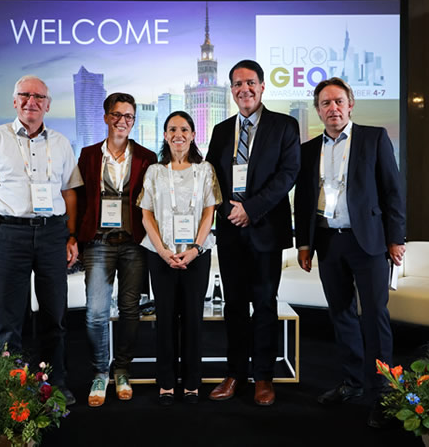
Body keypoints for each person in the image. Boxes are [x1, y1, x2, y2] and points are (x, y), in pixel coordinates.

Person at [293, 77, 406, 427]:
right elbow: (304, 200)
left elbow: (393, 190)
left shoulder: (373, 138)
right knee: (341, 314)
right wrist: (305, 242)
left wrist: (396, 238)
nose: (333, 109)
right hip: (328, 241)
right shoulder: (309, 149)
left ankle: (384, 392)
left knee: (374, 316)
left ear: (351, 104)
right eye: (325, 103)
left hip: (368, 241)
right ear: (318, 110)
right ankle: (353, 382)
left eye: (339, 101)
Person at [0, 75, 82, 406]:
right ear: (14, 100)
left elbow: (70, 193)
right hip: (10, 234)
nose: (31, 101)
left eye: (39, 97)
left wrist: (71, 235)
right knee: (8, 320)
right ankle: (8, 386)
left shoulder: (61, 143)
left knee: (55, 316)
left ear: (48, 104)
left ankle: (54, 382)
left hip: (52, 234)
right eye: (25, 95)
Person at [206, 60, 300, 406]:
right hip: (230, 230)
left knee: (263, 304)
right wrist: (227, 212)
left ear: (262, 87)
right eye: (237, 84)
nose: (243, 89)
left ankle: (263, 377)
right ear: (231, 91)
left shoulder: (284, 126)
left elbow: (287, 175)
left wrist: (251, 208)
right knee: (233, 306)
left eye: (250, 83)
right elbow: (211, 179)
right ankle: (234, 373)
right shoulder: (220, 130)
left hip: (265, 230)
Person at [75, 93, 157, 407]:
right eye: (117, 115)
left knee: (129, 310)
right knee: (96, 312)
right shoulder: (88, 155)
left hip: (134, 243)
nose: (123, 121)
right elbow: (79, 200)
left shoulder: (147, 157)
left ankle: (122, 369)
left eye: (129, 116)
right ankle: (99, 372)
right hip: (98, 242)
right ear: (107, 117)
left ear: (133, 121)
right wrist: (74, 238)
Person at [138, 111, 221, 406]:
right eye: (172, 129)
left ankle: (192, 381)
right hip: (161, 256)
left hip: (196, 255)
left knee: (192, 319)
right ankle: (165, 382)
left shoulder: (206, 170)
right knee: (166, 319)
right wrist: (162, 251)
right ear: (164, 135)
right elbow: (146, 214)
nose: (178, 134)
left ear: (193, 135)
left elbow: (209, 212)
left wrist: (195, 249)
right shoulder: (154, 171)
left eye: (184, 129)